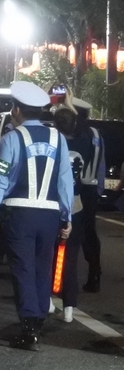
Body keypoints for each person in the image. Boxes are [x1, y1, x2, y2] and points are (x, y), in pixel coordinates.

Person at [0, 82, 73, 350]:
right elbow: (65, 182)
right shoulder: (59, 140)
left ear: (17, 110)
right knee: (41, 268)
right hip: (49, 214)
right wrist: (67, 216)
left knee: (22, 270)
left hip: (19, 213)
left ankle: (29, 326)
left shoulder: (10, 139)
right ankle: (39, 320)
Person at [53, 106, 85, 323]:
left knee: (48, 254)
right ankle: (69, 307)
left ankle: (47, 299)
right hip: (76, 204)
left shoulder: (53, 143)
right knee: (71, 258)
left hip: (54, 203)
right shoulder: (84, 142)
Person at [71, 98, 104, 293]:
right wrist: (98, 189)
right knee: (90, 232)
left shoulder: (73, 133)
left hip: (75, 187)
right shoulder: (96, 134)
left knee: (70, 231)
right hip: (91, 188)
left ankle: (64, 275)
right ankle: (94, 272)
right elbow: (102, 164)